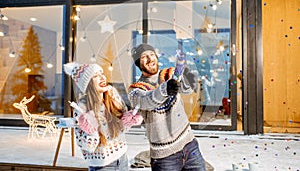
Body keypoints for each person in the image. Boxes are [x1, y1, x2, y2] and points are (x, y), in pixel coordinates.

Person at [128, 43, 207, 171]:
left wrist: (188, 81)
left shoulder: (168, 74)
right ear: (138, 63)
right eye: (144, 57)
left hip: (189, 145)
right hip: (164, 157)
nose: (150, 58)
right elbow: (146, 101)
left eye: (152, 54)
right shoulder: (135, 90)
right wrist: (165, 89)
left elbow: (185, 89)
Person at [64, 62, 129, 171]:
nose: (102, 77)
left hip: (122, 158)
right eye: (95, 76)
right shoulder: (82, 107)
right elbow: (87, 147)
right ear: (88, 84)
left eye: (101, 73)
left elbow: (122, 130)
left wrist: (129, 120)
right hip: (102, 166)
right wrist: (91, 130)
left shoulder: (112, 95)